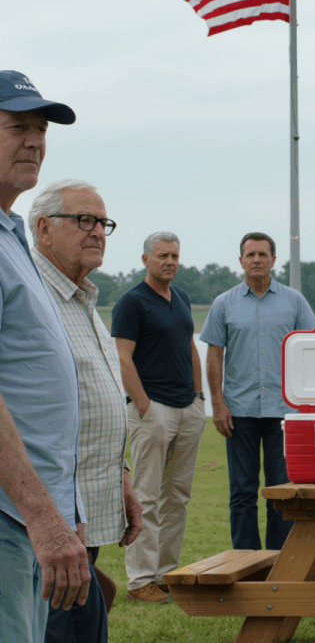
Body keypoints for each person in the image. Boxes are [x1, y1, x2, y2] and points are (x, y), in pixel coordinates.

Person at [30, 180, 143, 639]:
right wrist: (47, 520)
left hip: (86, 522)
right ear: (44, 229)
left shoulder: (82, 299)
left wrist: (121, 478)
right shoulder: (30, 298)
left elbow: (88, 407)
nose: (97, 231)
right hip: (46, 529)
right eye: (83, 220)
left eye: (102, 222)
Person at [0, 71, 92, 642]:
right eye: (18, 127)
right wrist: (41, 515)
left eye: (41, 130)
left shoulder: (11, 236)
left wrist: (64, 507)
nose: (35, 141)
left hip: (28, 516)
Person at [200, 232, 315, 552]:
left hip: (285, 412)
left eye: (262, 254)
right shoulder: (224, 303)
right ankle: (245, 561)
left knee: (282, 491)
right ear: (241, 261)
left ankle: (280, 560)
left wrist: (307, 404)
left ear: (273, 260)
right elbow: (214, 356)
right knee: (242, 491)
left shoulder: (295, 301)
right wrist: (218, 404)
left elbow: (312, 348)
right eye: (250, 255)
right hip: (239, 411)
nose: (256, 260)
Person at [112, 232, 206, 603]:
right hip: (153, 409)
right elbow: (123, 358)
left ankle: (167, 573)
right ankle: (140, 580)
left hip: (188, 408)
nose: (170, 262)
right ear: (146, 259)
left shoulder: (180, 297)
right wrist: (144, 406)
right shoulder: (132, 302)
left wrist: (199, 397)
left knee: (178, 497)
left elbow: (190, 348)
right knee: (147, 496)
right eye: (163, 255)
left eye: (175, 256)